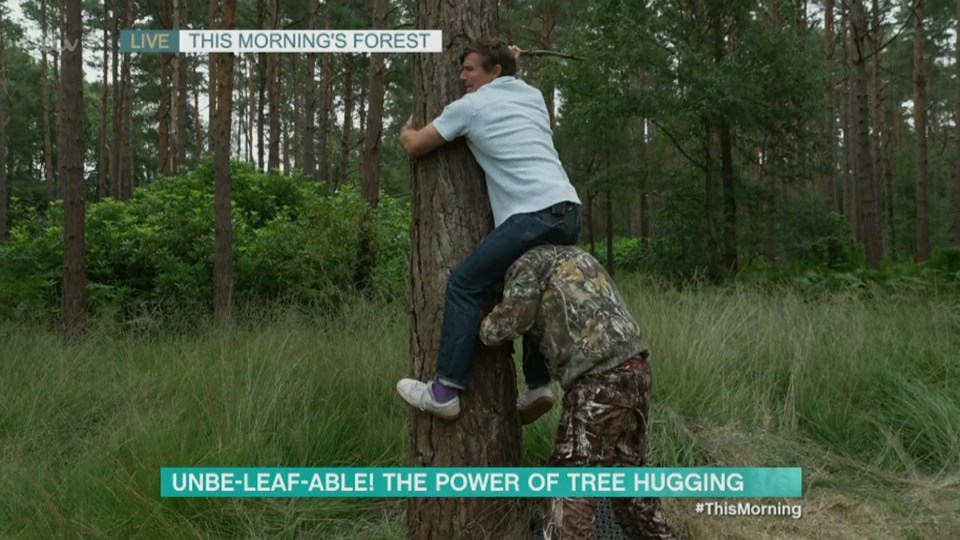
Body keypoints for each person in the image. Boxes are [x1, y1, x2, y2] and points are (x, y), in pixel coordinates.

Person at [396, 37, 581, 422]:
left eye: (470, 69)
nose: (461, 76)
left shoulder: (472, 107)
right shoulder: (530, 95)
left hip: (531, 215)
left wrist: (404, 132)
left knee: (464, 284)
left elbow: (416, 146)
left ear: (492, 72)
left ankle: (445, 390)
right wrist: (509, 59)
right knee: (532, 286)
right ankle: (538, 384)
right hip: (568, 212)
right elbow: (508, 74)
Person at [479, 245, 677, 540]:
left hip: (599, 378)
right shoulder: (569, 254)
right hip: (636, 368)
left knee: (568, 481)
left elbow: (511, 320)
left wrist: (479, 329)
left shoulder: (525, 264)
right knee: (629, 479)